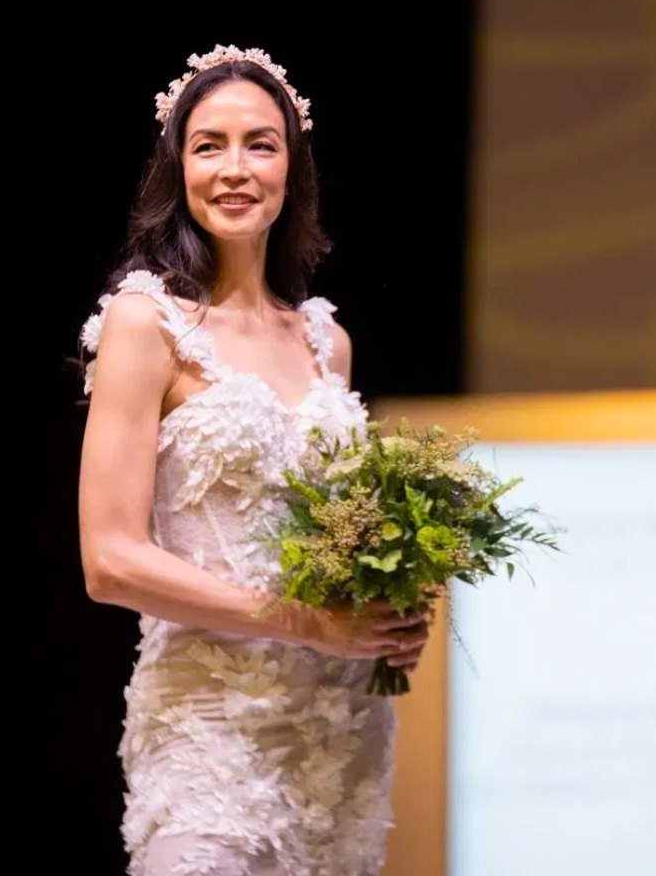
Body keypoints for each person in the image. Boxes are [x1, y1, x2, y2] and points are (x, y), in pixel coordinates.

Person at [76, 45, 433, 875]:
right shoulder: (147, 323)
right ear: (179, 168)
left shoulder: (324, 340)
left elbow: (328, 540)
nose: (235, 169)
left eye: (259, 145)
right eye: (209, 146)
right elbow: (109, 560)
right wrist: (300, 620)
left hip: (340, 735)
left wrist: (383, 616)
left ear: (291, 168)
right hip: (209, 730)